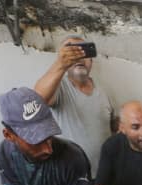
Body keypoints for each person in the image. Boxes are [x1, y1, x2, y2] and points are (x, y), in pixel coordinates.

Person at [34, 35, 115, 175]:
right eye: (71, 53)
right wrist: (60, 64)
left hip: (104, 176)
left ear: (91, 60)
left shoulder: (103, 90)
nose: (78, 58)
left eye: (82, 52)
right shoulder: (60, 87)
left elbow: (111, 126)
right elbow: (38, 99)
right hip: (73, 178)